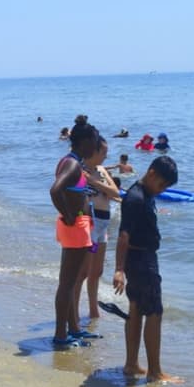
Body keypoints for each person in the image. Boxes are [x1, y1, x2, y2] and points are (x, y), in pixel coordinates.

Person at [112, 155, 181, 382]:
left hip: (139, 259)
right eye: (161, 185)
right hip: (142, 260)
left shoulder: (144, 195)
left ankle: (131, 364)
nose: (162, 190)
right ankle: (154, 371)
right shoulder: (136, 198)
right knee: (154, 312)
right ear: (151, 173)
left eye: (166, 188)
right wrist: (119, 269)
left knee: (136, 309)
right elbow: (123, 235)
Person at [50, 115, 98, 345]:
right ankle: (61, 335)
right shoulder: (72, 164)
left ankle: (74, 328)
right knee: (68, 282)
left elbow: (66, 191)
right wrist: (69, 214)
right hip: (75, 225)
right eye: (94, 141)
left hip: (76, 225)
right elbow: (55, 190)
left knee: (70, 280)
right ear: (83, 141)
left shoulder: (70, 161)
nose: (96, 146)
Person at [79, 136, 120, 322]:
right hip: (90, 225)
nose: (106, 156)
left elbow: (115, 192)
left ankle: (93, 308)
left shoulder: (101, 171)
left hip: (103, 226)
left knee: (97, 271)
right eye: (103, 152)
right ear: (94, 152)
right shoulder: (80, 170)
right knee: (85, 271)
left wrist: (95, 182)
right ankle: (81, 307)